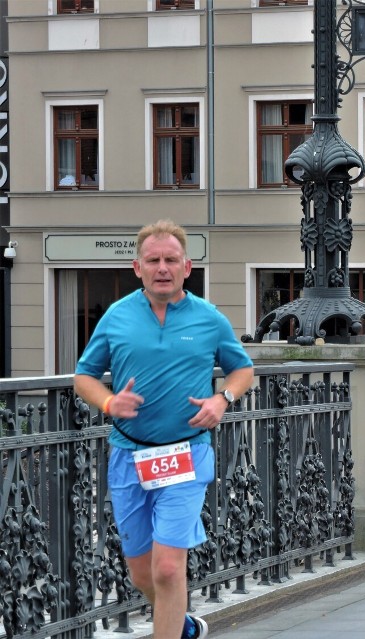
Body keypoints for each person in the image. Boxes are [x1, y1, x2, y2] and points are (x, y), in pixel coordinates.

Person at [74, 220, 255, 639]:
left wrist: (221, 399)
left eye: (171, 260)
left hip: (185, 454)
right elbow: (83, 377)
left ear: (186, 266)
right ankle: (183, 624)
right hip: (128, 454)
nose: (162, 268)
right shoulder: (117, 316)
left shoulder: (208, 318)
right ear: (137, 267)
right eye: (153, 260)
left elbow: (243, 369)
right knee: (141, 573)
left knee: (169, 566)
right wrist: (107, 401)